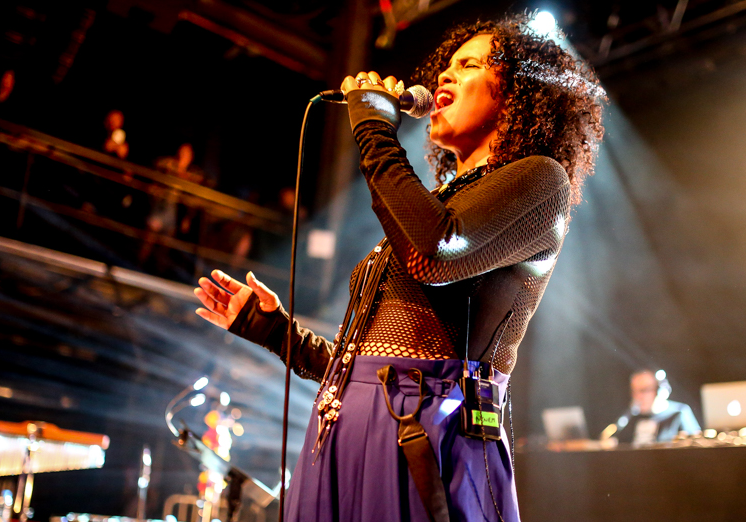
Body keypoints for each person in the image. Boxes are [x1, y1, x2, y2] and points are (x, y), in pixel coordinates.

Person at [194, 13, 604, 522]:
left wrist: (372, 129)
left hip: (427, 436)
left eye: (469, 65)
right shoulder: (439, 202)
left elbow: (432, 254)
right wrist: (277, 333)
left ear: (516, 94)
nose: (444, 77)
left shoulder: (542, 181)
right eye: (445, 67)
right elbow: (376, 371)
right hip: (349, 428)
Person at [603, 369, 700, 445]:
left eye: (644, 390)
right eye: (634, 391)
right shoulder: (633, 417)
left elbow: (696, 444)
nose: (637, 397)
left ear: (660, 390)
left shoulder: (679, 413)